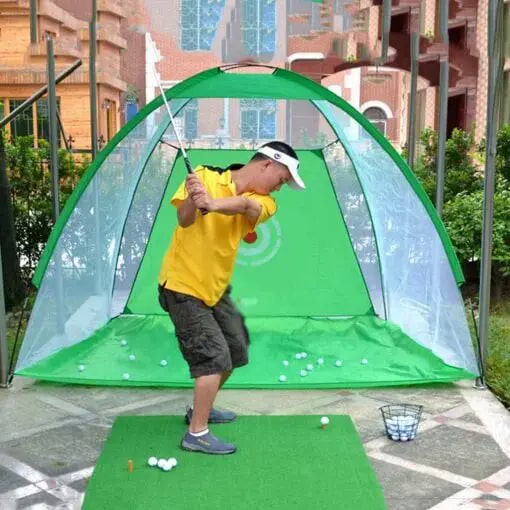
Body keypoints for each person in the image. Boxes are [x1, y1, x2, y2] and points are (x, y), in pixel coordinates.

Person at [158, 141, 305, 455]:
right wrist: (194, 198)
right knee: (213, 357)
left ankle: (201, 408)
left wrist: (211, 203)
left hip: (215, 288)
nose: (279, 187)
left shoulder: (265, 202)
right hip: (182, 285)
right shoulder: (204, 175)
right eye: (281, 179)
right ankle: (196, 433)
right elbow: (184, 219)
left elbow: (245, 207)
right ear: (267, 164)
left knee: (236, 347)